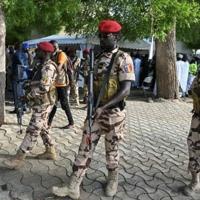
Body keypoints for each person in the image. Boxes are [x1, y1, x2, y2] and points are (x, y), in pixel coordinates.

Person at [52, 19, 135, 199]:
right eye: (101, 36)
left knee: (112, 151)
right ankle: (73, 186)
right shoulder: (97, 58)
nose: (103, 39)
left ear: (117, 36)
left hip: (114, 113)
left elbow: (125, 89)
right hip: (95, 112)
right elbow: (93, 84)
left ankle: (112, 180)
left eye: (107, 36)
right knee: (85, 147)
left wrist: (104, 106)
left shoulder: (123, 58)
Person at [4, 42, 58, 169]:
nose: (36, 52)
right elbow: (37, 81)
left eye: (38, 50)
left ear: (45, 53)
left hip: (43, 103)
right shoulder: (41, 65)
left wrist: (27, 96)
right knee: (43, 128)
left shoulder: (48, 68)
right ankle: (50, 151)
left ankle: (19, 158)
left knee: (33, 130)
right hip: (40, 102)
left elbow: (43, 87)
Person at [47, 40, 74, 129]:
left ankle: (71, 122)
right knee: (53, 103)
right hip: (54, 83)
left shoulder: (61, 54)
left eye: (55, 46)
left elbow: (58, 68)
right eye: (52, 46)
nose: (54, 48)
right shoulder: (52, 55)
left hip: (62, 83)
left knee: (64, 104)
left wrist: (51, 63)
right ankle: (48, 123)